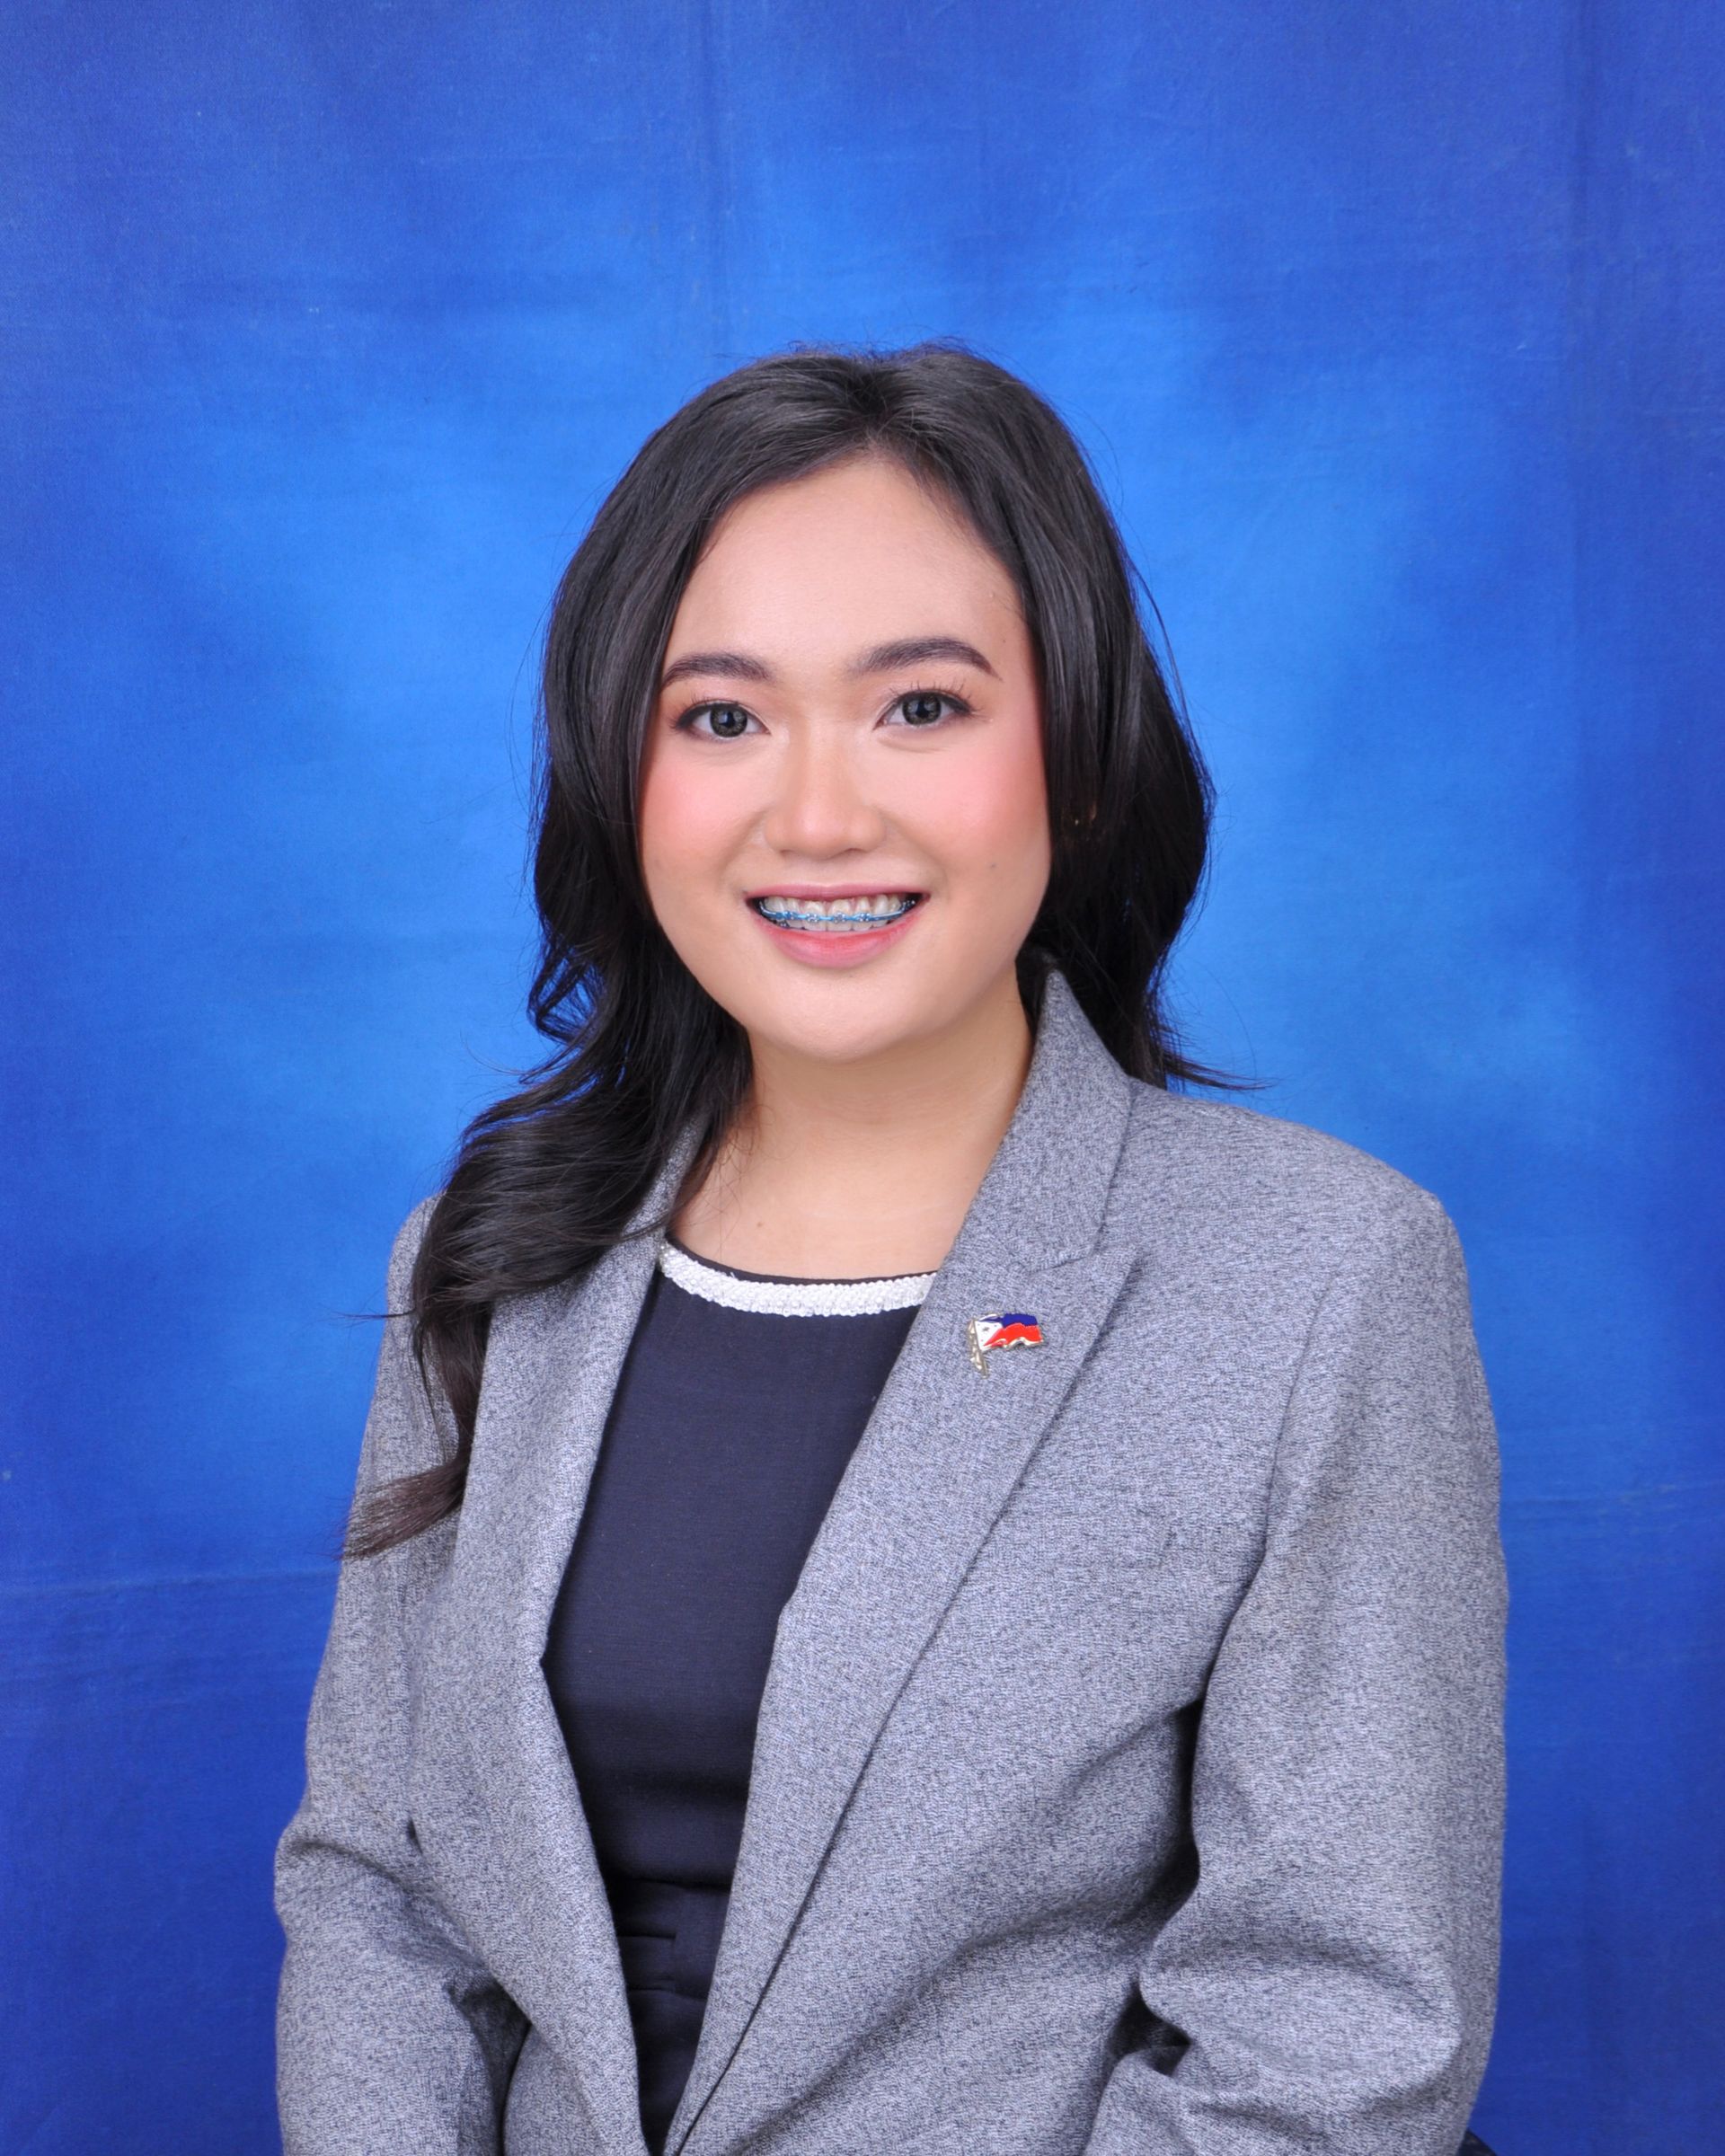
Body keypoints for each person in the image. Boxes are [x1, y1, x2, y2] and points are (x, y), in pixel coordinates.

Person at [274, 343, 1507, 2156]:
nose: (821, 815)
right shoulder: (489, 1256)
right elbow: (380, 1894)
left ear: (1077, 759)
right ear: (627, 783)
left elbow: (1336, 2034)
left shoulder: (1324, 1277)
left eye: (919, 707)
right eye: (721, 717)